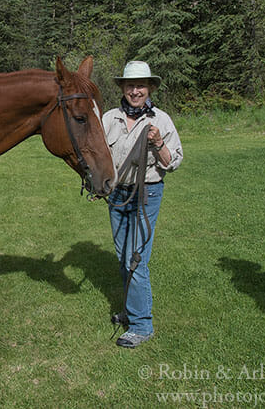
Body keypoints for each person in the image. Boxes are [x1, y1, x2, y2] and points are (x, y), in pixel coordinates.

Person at [102, 60, 183, 348]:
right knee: (123, 255)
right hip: (117, 194)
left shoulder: (161, 120)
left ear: (149, 88)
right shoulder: (109, 118)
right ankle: (131, 309)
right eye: (130, 86)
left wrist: (159, 142)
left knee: (135, 258)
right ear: (122, 88)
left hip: (146, 193)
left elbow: (172, 163)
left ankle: (141, 325)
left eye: (140, 86)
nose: (135, 91)